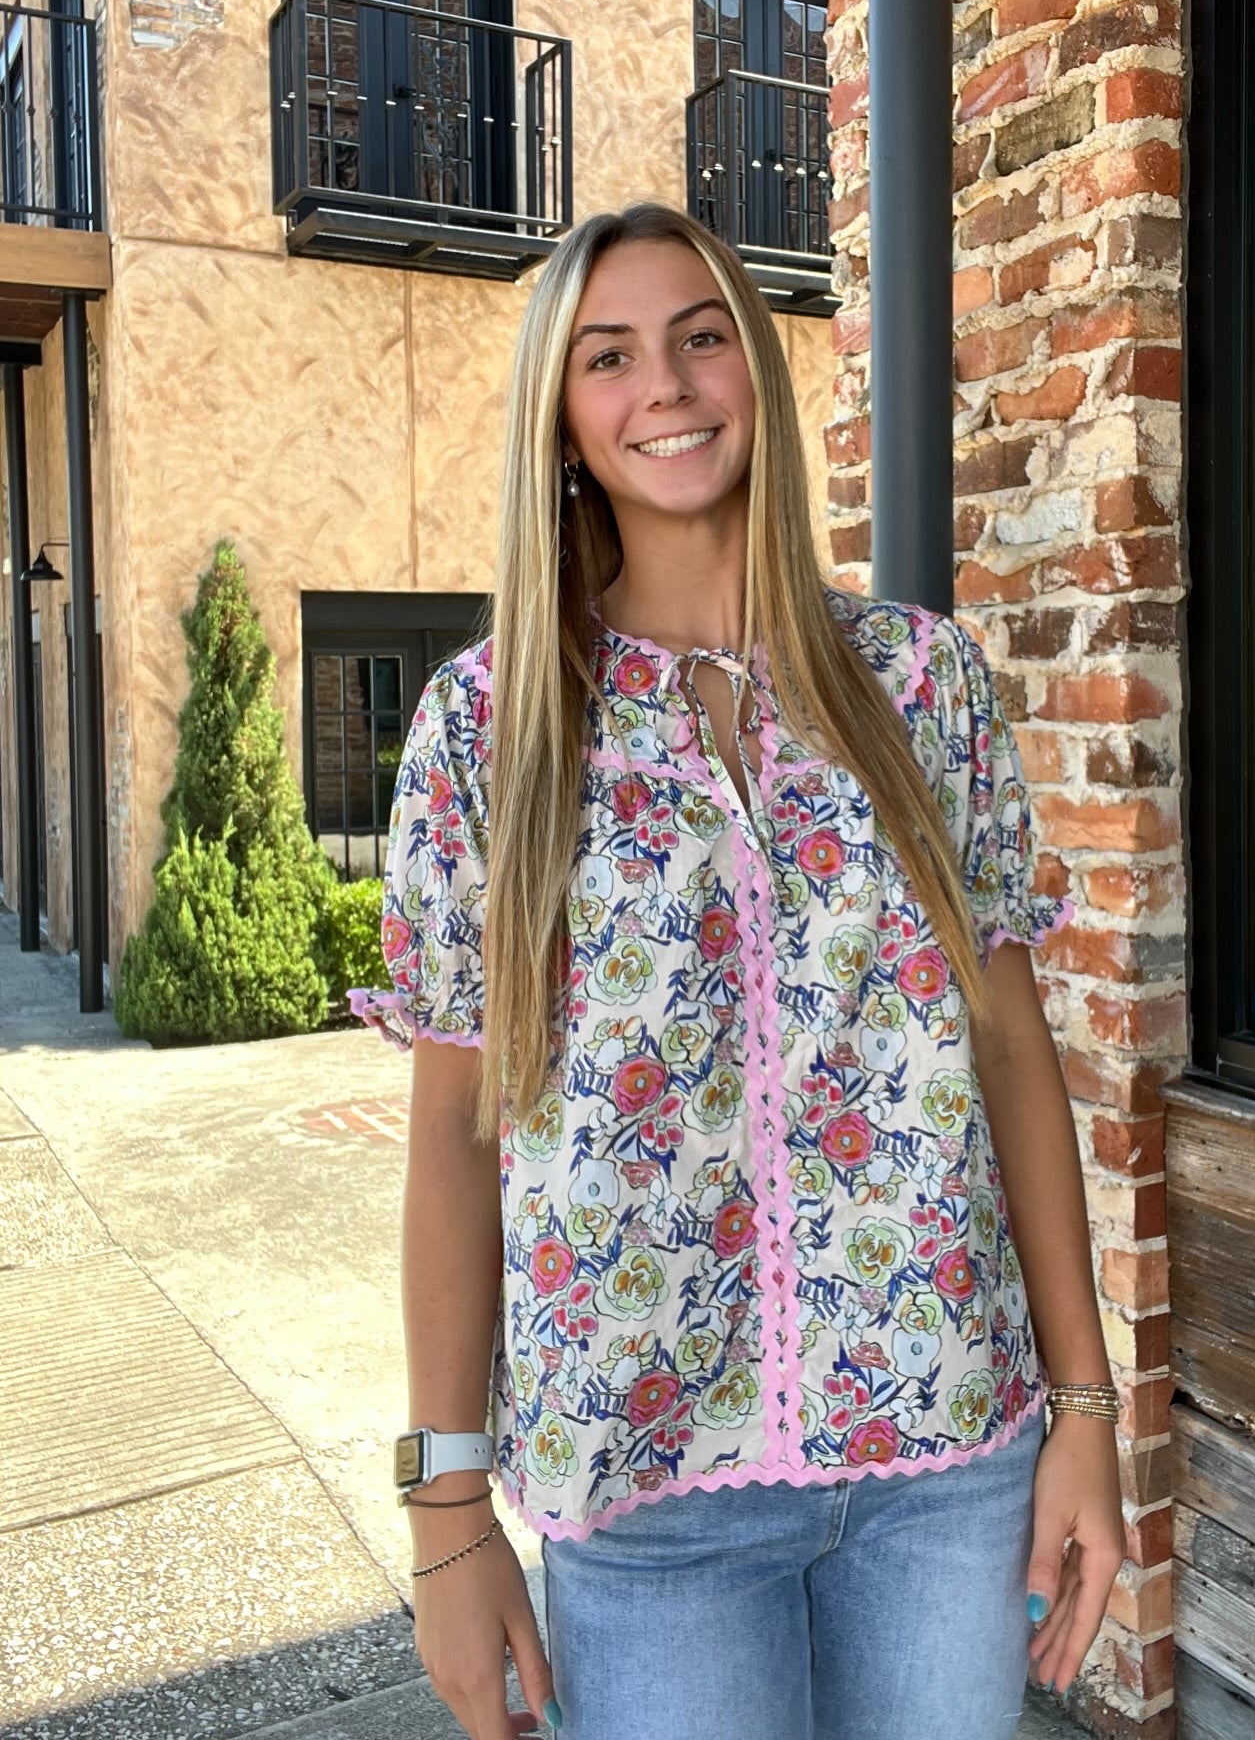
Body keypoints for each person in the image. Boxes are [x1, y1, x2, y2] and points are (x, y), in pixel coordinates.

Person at [352, 200, 1126, 1740]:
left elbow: (1009, 1054)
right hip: (648, 1498)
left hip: (945, 1459)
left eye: (702, 337)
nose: (667, 384)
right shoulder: (486, 728)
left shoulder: (921, 685)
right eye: (609, 356)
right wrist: (446, 1513)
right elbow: (454, 1129)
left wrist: (1087, 1411)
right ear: (562, 418)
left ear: (757, 375)